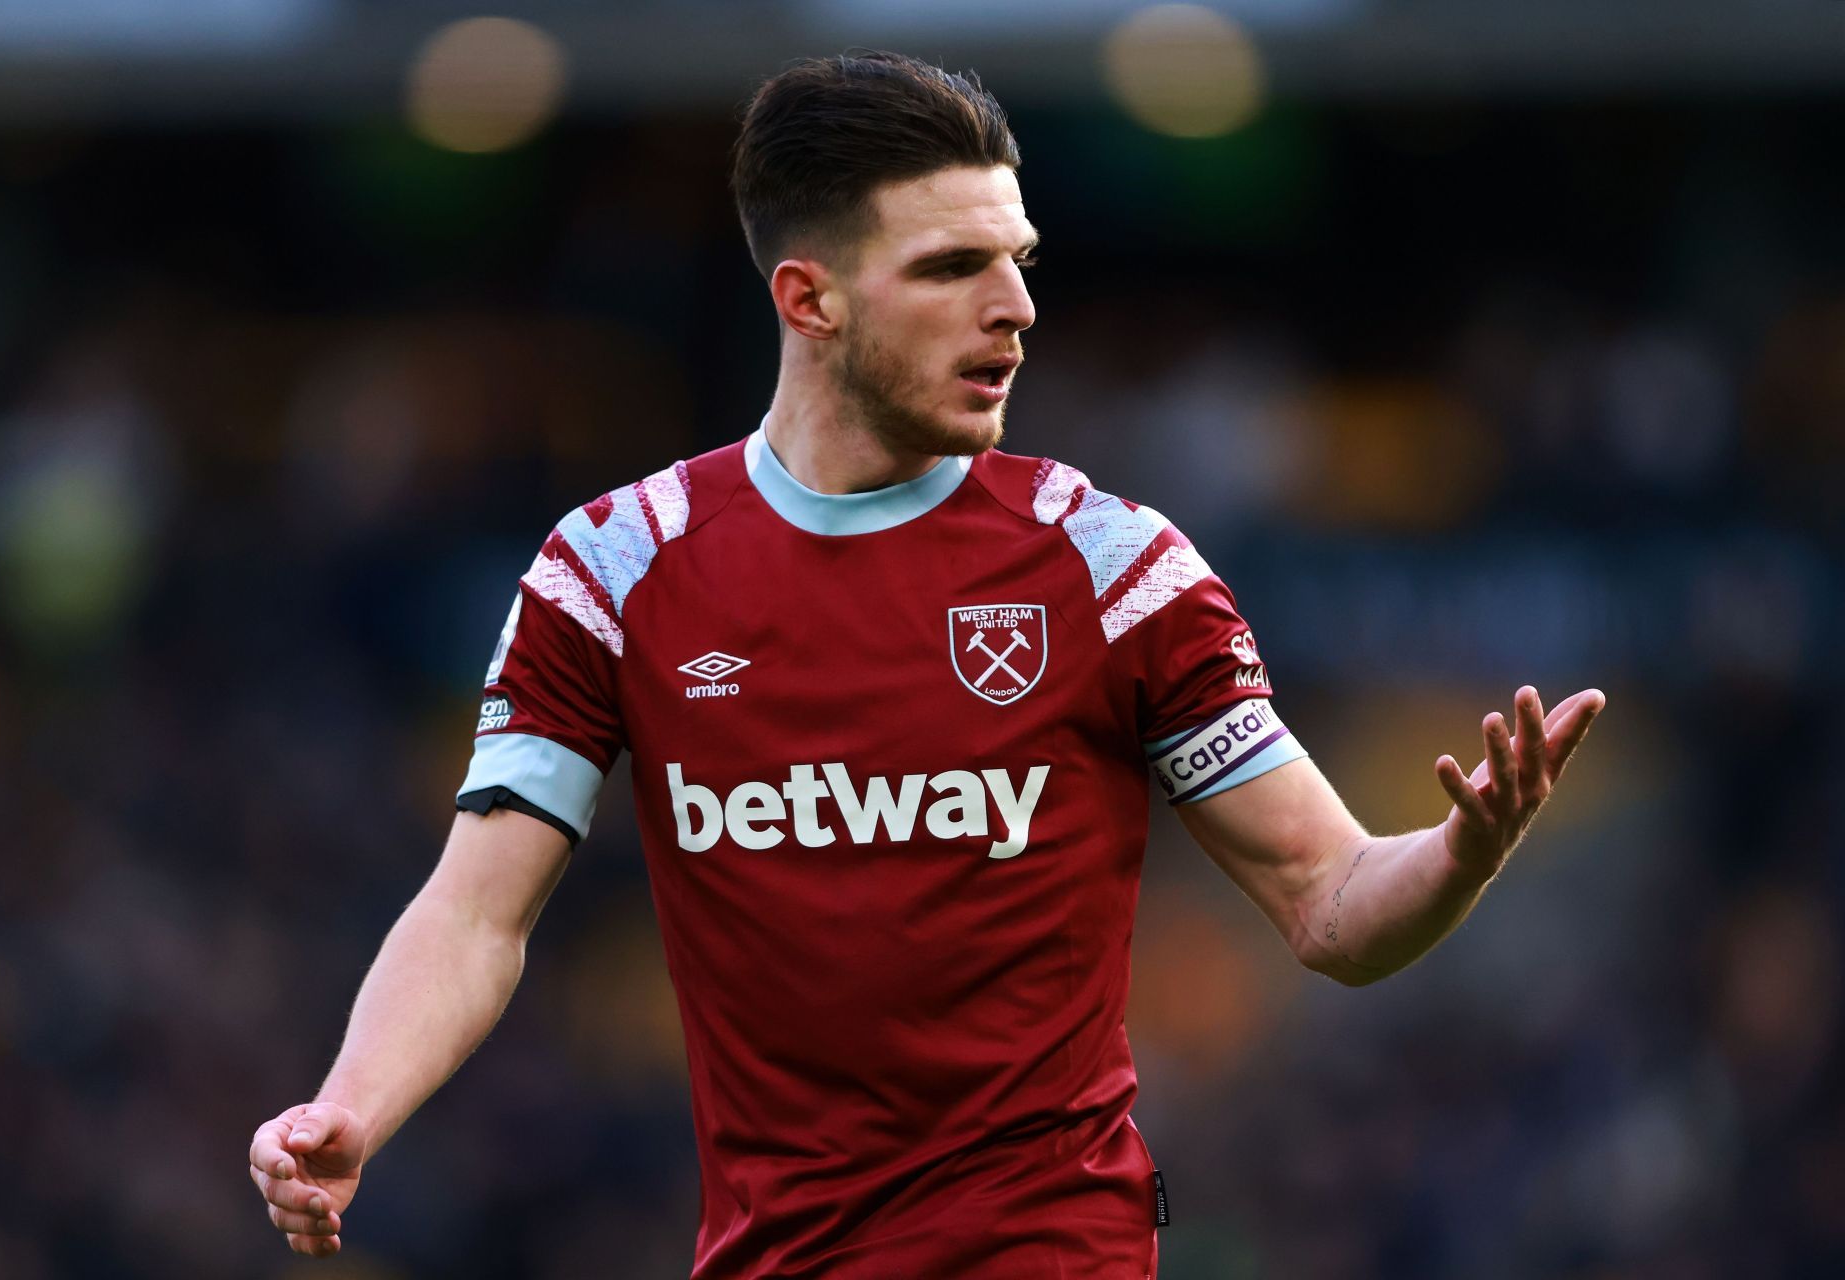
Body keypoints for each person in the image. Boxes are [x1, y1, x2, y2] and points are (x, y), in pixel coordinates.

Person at [248, 51, 1604, 1277]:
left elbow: (1328, 900)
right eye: (954, 269)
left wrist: (1457, 854)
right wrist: (352, 1104)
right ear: (810, 299)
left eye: (1018, 260)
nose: (1014, 307)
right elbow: (476, 914)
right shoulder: (614, 573)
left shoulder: (1114, 568)